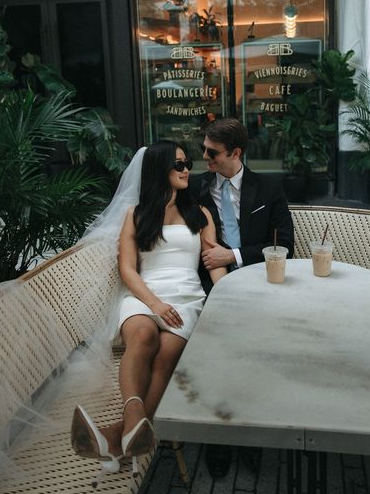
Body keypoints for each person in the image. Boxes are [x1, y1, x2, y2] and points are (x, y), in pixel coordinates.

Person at [70, 141, 227, 484]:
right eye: (179, 165)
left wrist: (229, 296)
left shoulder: (201, 214)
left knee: (165, 356)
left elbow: (213, 265)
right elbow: (128, 269)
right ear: (160, 171)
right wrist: (154, 303)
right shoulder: (136, 214)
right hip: (144, 294)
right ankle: (134, 428)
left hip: (187, 298)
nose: (188, 170)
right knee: (142, 336)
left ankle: (115, 438)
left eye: (187, 164)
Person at [190, 117, 294, 477]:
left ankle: (251, 432)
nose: (205, 158)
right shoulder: (197, 187)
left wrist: (232, 256)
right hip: (210, 285)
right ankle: (218, 437)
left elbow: (286, 246)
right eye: (204, 149)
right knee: (217, 353)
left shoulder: (268, 188)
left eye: (212, 152)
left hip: (258, 282)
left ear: (236, 152)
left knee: (257, 352)